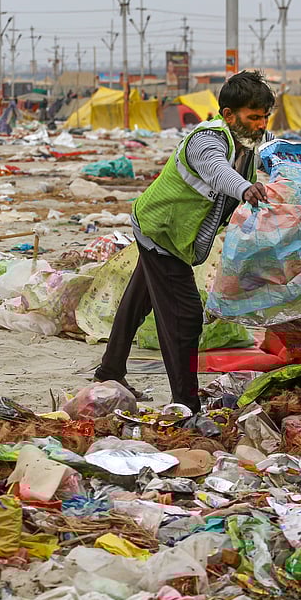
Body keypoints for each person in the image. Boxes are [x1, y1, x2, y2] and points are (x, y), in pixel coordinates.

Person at [94, 70, 275, 412]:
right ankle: (186, 402)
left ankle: (110, 371)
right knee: (185, 315)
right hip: (161, 232)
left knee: (138, 302)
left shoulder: (248, 147)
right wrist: (245, 189)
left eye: (265, 117)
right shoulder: (207, 139)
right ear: (228, 115)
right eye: (254, 117)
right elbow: (218, 172)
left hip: (177, 236)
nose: (261, 124)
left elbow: (264, 167)